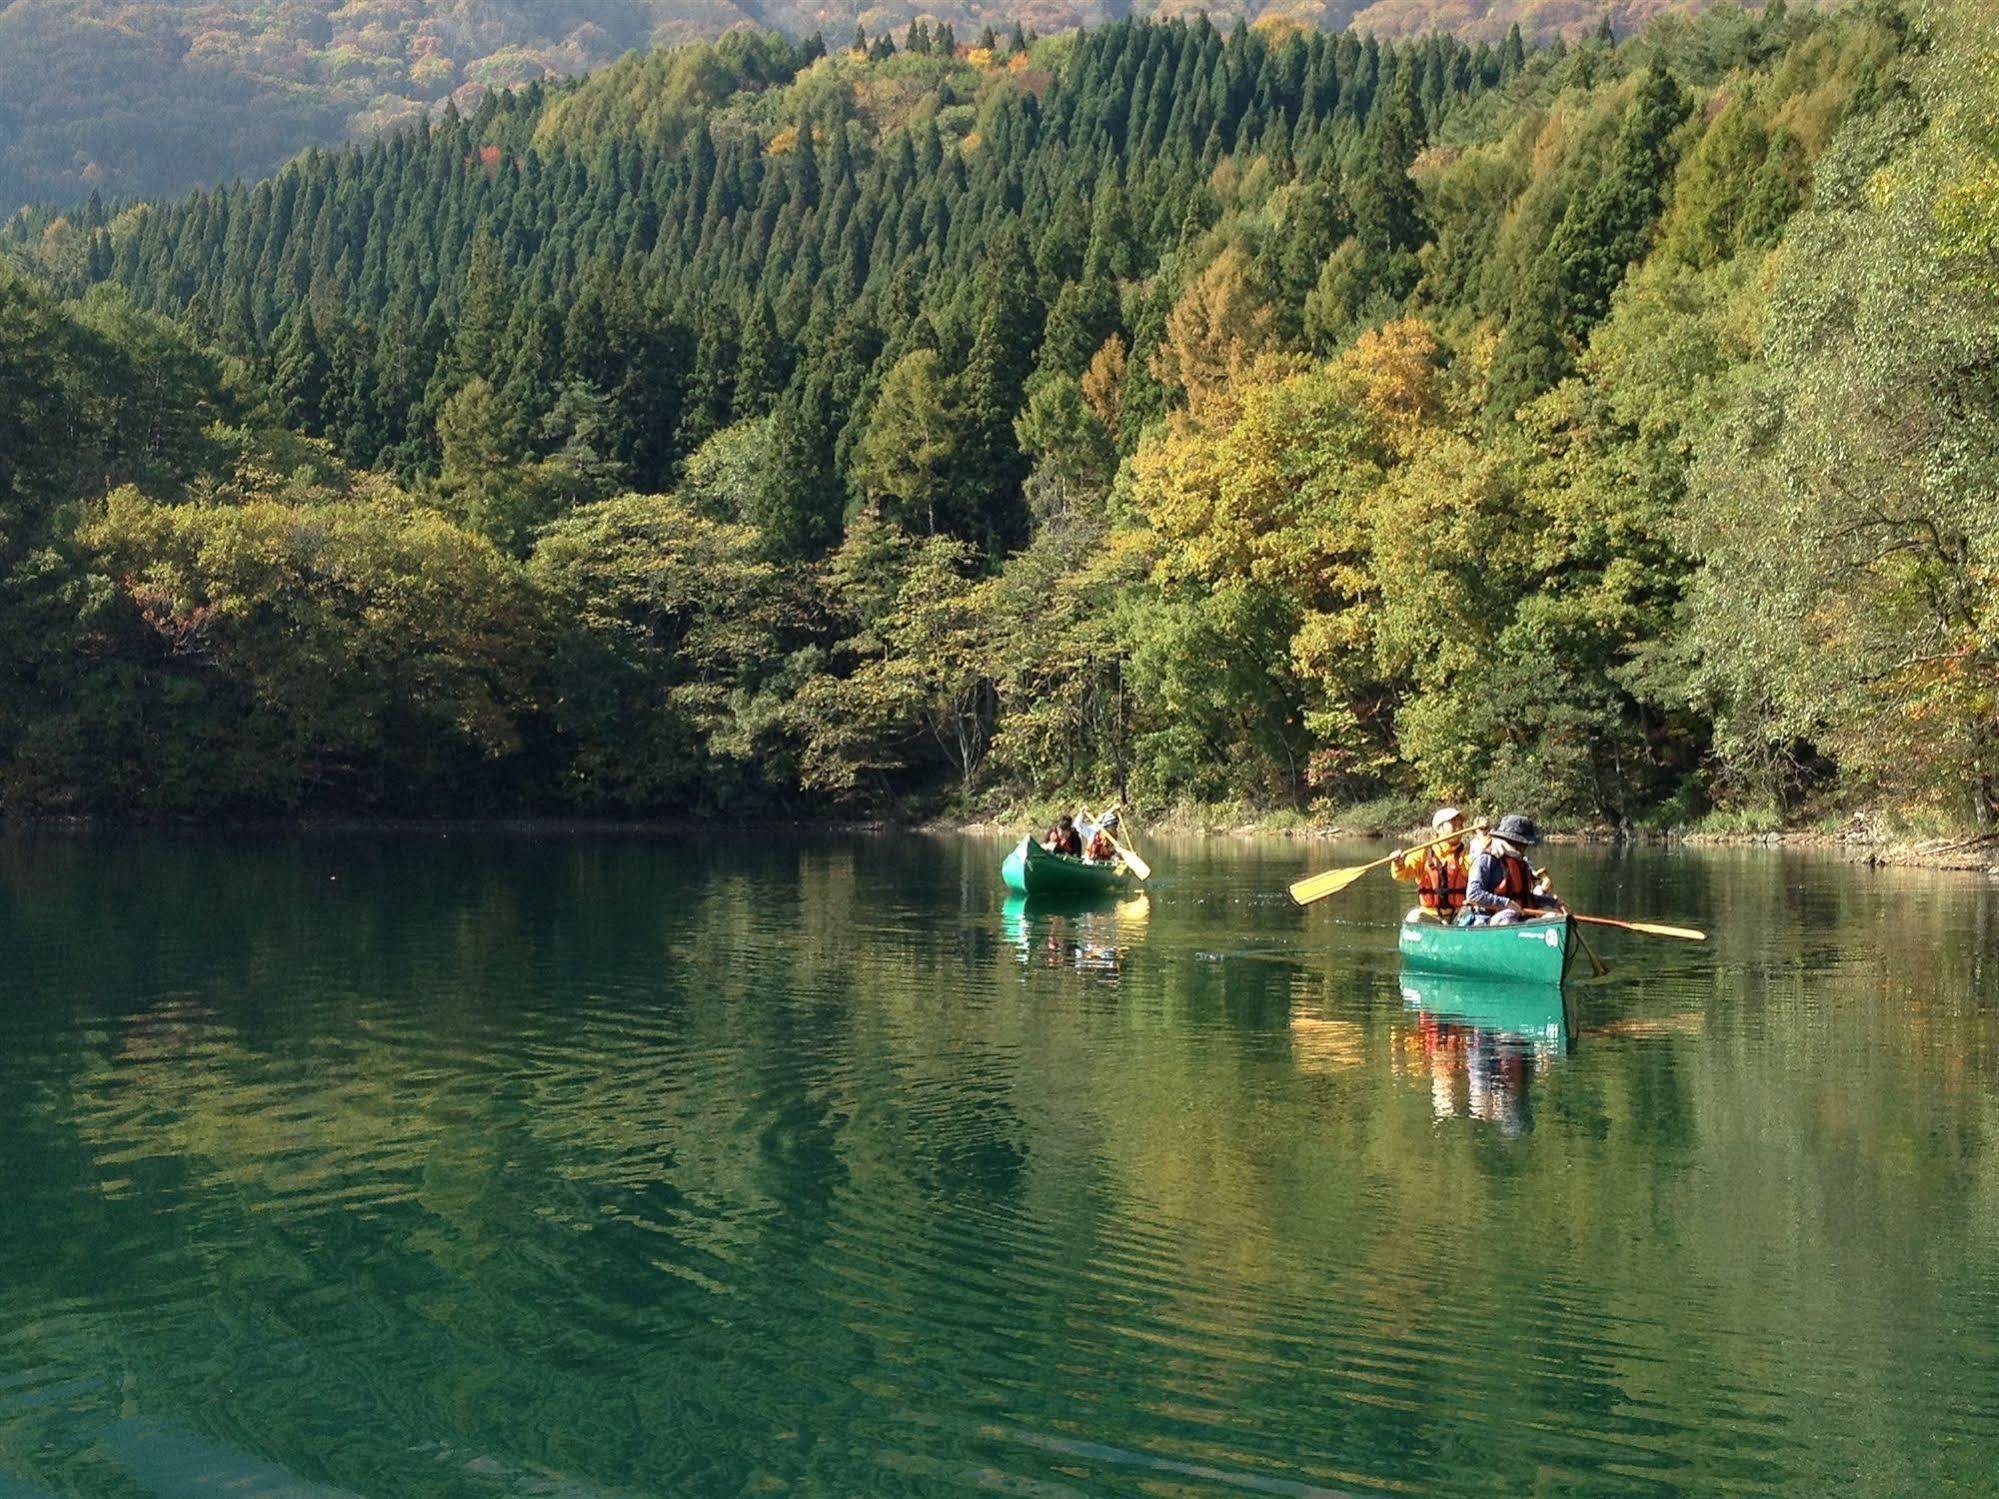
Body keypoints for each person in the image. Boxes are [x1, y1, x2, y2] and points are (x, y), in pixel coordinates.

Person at [1460, 813, 1562, 925]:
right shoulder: (1486, 858)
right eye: (1523, 843)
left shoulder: (1520, 861)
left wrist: (1554, 903)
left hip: (1519, 916)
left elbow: (1525, 898)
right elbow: (1473, 894)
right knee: (1508, 917)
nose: (1525, 847)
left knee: (1555, 916)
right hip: (1490, 918)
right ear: (1511, 841)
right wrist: (1506, 903)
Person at [1390, 807, 1476, 924]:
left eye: (1460, 824)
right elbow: (1400, 875)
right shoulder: (1422, 853)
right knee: (1413, 917)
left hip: (1459, 915)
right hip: (1431, 916)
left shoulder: (1467, 853)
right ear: (1439, 829)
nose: (1459, 827)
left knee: (1473, 915)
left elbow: (1478, 876)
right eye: (1453, 824)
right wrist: (1398, 863)